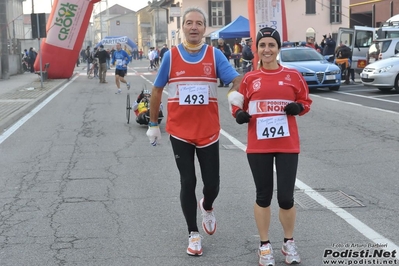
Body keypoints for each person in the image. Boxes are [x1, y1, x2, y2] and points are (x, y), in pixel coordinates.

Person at [145, 7, 242, 257]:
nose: (194, 27)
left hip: (208, 131)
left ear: (205, 28)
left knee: (212, 185)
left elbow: (237, 80)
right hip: (180, 132)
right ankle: (193, 233)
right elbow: (157, 90)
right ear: (183, 28)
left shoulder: (215, 54)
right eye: (189, 23)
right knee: (188, 181)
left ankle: (207, 206)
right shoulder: (171, 56)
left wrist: (235, 97)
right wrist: (153, 124)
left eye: (199, 23)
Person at [227, 27, 312, 266]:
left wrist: (299, 108)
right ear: (256, 49)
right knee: (263, 196)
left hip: (287, 145)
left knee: (286, 198)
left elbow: (305, 101)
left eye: (271, 45)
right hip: (259, 146)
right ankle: (264, 246)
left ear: (278, 48)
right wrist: (239, 114)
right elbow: (237, 104)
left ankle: (288, 242)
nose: (267, 49)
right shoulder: (250, 79)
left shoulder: (293, 76)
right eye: (262, 45)